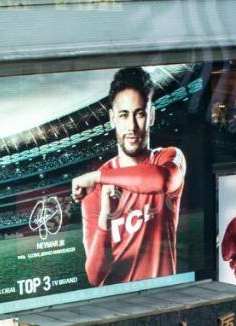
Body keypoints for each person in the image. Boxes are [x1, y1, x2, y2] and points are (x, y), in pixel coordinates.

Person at [72, 65, 186, 286]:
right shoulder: (96, 189)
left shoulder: (168, 158)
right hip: (116, 307)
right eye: (124, 115)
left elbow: (161, 180)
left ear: (151, 115)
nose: (132, 126)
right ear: (112, 119)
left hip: (164, 299)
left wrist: (98, 177)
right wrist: (106, 218)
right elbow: (95, 277)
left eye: (139, 114)